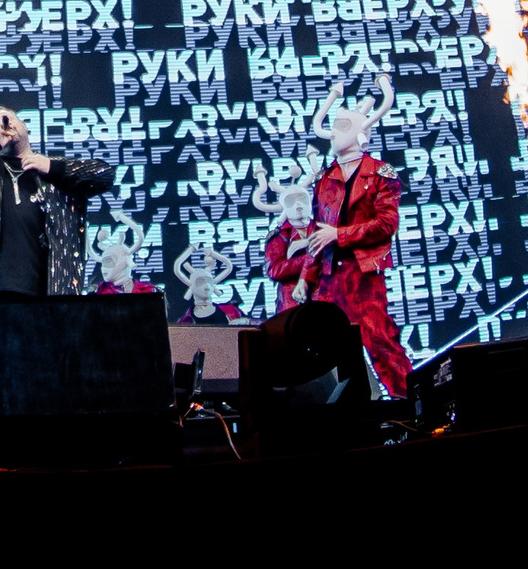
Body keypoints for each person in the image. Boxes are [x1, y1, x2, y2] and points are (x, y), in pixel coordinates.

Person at [291, 78, 411, 397]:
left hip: (363, 278)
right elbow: (317, 233)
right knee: (326, 354)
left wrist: (339, 234)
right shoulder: (326, 177)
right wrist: (305, 277)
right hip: (329, 280)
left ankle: (410, 403)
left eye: (342, 125)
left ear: (360, 132)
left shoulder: (380, 174)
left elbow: (386, 224)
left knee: (380, 342)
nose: (334, 132)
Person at [0, 104, 114, 296]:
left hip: (51, 293)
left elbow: (104, 175)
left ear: (24, 125)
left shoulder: (52, 170)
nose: (3, 125)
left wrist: (52, 167)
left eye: (8, 119)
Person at [254, 149, 321, 314]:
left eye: (302, 199)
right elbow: (275, 270)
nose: (298, 205)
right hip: (292, 305)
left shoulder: (322, 228)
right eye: (292, 201)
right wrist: (308, 259)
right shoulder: (280, 236)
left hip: (324, 299)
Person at [172, 243, 245, 324]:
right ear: (192, 287)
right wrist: (191, 249)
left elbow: (229, 266)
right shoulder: (186, 321)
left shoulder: (230, 311)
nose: (207, 286)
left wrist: (244, 321)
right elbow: (177, 268)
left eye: (210, 282)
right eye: (201, 282)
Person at [93, 204, 156, 295]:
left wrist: (121, 217)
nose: (104, 269)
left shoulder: (148, 291)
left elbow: (140, 237)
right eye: (104, 263)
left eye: (109, 262)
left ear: (124, 261)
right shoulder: (100, 292)